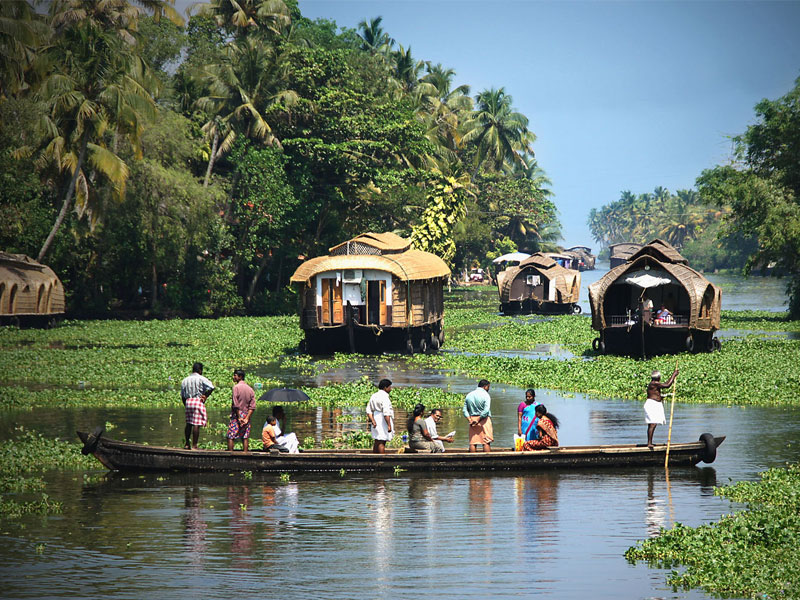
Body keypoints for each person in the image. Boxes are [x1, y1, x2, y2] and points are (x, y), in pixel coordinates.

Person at [180, 362, 215, 450]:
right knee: (196, 424)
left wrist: (186, 404)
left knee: (189, 423)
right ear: (199, 370)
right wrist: (205, 395)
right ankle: (195, 445)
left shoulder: (185, 380)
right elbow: (211, 387)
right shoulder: (201, 378)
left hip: (188, 401)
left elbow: (183, 395)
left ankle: (187, 444)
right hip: (197, 401)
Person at [645, 368, 678, 448]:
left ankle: (649, 442)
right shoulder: (654, 383)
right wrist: (674, 375)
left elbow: (665, 384)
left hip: (655, 404)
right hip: (652, 405)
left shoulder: (655, 384)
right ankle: (649, 443)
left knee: (653, 424)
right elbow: (667, 385)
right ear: (658, 377)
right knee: (652, 423)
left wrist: (660, 397)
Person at [227, 369, 255, 452]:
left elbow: (236, 405)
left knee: (230, 435)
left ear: (240, 377)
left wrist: (239, 417)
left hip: (237, 414)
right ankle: (245, 454)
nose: (233, 377)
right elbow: (252, 406)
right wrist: (246, 418)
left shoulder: (236, 388)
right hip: (246, 414)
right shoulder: (250, 389)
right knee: (244, 436)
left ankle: (230, 455)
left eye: (235, 375)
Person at [463, 379, 493, 452]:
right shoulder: (486, 395)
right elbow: (486, 411)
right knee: (486, 441)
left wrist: (470, 420)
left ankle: (472, 461)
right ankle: (488, 461)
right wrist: (478, 420)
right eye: (488, 387)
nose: (488, 389)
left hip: (472, 419)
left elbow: (465, 410)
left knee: (473, 442)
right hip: (484, 420)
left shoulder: (469, 395)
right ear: (485, 387)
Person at [366, 378, 394, 454]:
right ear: (385, 388)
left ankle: (374, 458)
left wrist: (373, 420)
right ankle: (382, 460)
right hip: (382, 420)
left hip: (376, 417)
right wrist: (389, 425)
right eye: (389, 387)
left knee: (377, 441)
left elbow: (369, 410)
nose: (390, 389)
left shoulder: (374, 396)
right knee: (382, 441)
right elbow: (386, 413)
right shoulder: (385, 397)